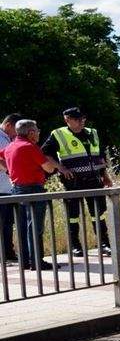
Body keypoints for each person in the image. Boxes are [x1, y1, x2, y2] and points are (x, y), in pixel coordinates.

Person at [41, 106, 112, 257]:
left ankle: (104, 244)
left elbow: (100, 155)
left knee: (99, 213)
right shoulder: (58, 134)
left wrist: (105, 174)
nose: (81, 122)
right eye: (78, 120)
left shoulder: (92, 133)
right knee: (73, 214)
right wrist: (61, 168)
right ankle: (75, 246)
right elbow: (45, 154)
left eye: (83, 119)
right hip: (73, 181)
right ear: (67, 120)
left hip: (94, 179)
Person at [4, 119, 61, 271]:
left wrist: (9, 170)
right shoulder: (30, 147)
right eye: (37, 130)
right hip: (34, 189)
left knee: (22, 226)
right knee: (35, 226)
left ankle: (25, 261)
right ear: (30, 133)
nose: (39, 133)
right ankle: (37, 261)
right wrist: (55, 165)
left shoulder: (10, 146)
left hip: (17, 189)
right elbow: (48, 168)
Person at [0, 113, 19, 262]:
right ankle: (3, 254)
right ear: (8, 125)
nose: (17, 133)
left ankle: (8, 252)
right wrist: (10, 170)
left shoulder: (8, 138)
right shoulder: (0, 138)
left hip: (8, 188)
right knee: (2, 223)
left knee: (8, 223)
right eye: (16, 129)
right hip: (1, 187)